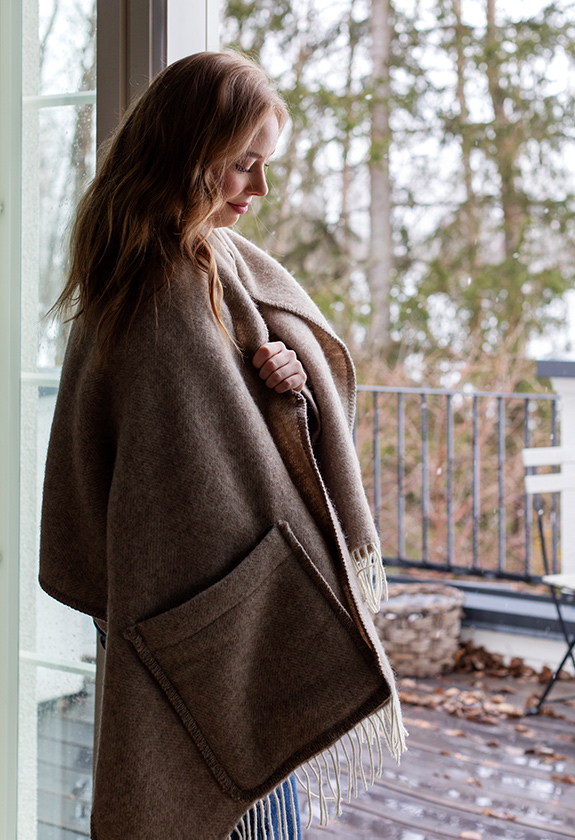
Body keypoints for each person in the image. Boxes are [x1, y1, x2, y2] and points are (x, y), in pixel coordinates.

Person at [39, 50, 405, 840]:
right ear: (186, 149)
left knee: (249, 792)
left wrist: (289, 376)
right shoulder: (152, 280)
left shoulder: (213, 260)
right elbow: (170, 449)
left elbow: (238, 419)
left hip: (214, 598)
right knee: (236, 802)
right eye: (243, 164)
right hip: (189, 602)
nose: (259, 190)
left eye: (265, 166)